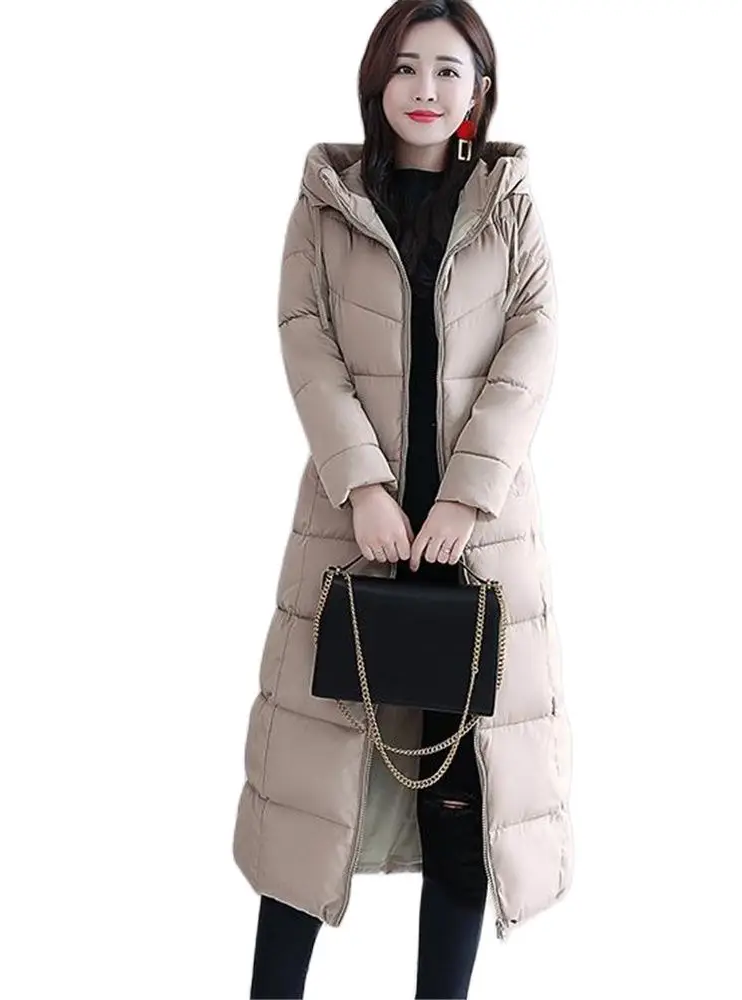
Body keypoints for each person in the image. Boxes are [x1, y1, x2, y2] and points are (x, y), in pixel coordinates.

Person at [234, 2, 574, 997]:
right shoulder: (327, 200)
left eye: (449, 71)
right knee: (308, 804)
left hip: (478, 544)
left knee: (465, 802)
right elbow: (306, 341)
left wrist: (465, 499)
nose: (426, 89)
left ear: (479, 93)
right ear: (376, 80)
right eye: (406, 67)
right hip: (352, 534)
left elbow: (533, 348)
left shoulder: (508, 202)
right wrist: (365, 486)